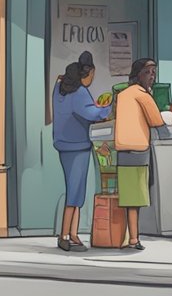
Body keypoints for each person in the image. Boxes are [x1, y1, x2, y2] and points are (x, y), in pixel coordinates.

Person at [52, 51, 112, 252]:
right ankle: (64, 235)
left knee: (74, 190)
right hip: (77, 146)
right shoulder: (79, 92)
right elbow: (91, 112)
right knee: (75, 192)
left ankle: (74, 233)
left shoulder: (59, 88)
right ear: (88, 73)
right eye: (92, 76)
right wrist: (109, 107)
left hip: (63, 144)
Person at [115, 58, 169, 250]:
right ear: (138, 74)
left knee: (128, 197)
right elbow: (157, 121)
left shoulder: (122, 95)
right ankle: (133, 239)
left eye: (153, 72)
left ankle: (126, 237)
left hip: (122, 150)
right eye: (148, 72)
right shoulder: (143, 95)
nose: (152, 77)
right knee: (135, 199)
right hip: (138, 149)